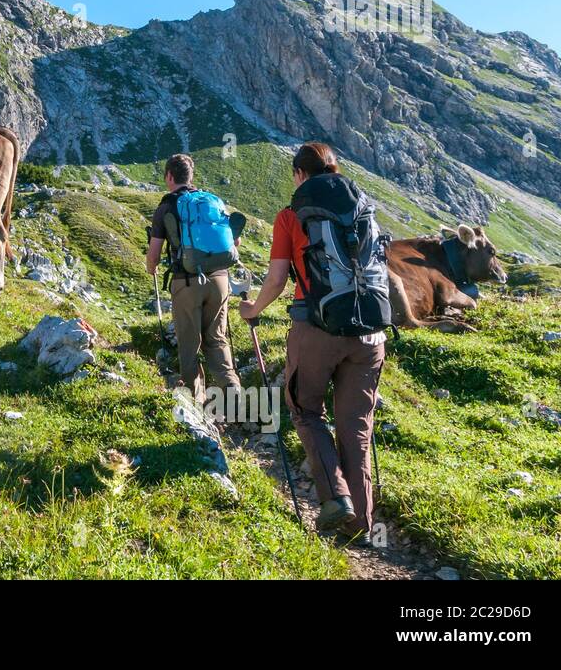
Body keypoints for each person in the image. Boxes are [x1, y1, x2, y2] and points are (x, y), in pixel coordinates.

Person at [239, 142, 386, 537]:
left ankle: (335, 499)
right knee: (356, 423)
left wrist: (253, 310)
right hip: (371, 331)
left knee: (306, 409)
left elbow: (277, 278)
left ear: (301, 175)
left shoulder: (291, 216)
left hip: (317, 328)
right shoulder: (364, 208)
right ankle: (362, 522)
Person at [146, 153, 242, 417]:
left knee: (189, 344)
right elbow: (235, 244)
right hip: (220, 280)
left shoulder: (166, 207)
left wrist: (150, 267)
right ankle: (234, 396)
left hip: (187, 282)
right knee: (217, 339)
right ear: (191, 177)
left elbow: (154, 254)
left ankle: (194, 406)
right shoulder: (211, 201)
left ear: (169, 176)